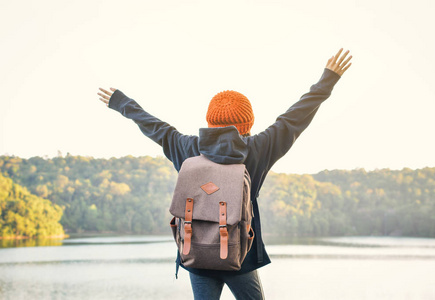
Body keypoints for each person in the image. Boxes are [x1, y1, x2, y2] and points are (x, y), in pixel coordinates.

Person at [98, 48, 352, 300]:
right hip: (239, 255)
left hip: (196, 252)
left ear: (209, 121)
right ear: (247, 124)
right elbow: (294, 118)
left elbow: (154, 126)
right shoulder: (256, 149)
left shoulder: (187, 147)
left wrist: (121, 102)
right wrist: (328, 79)